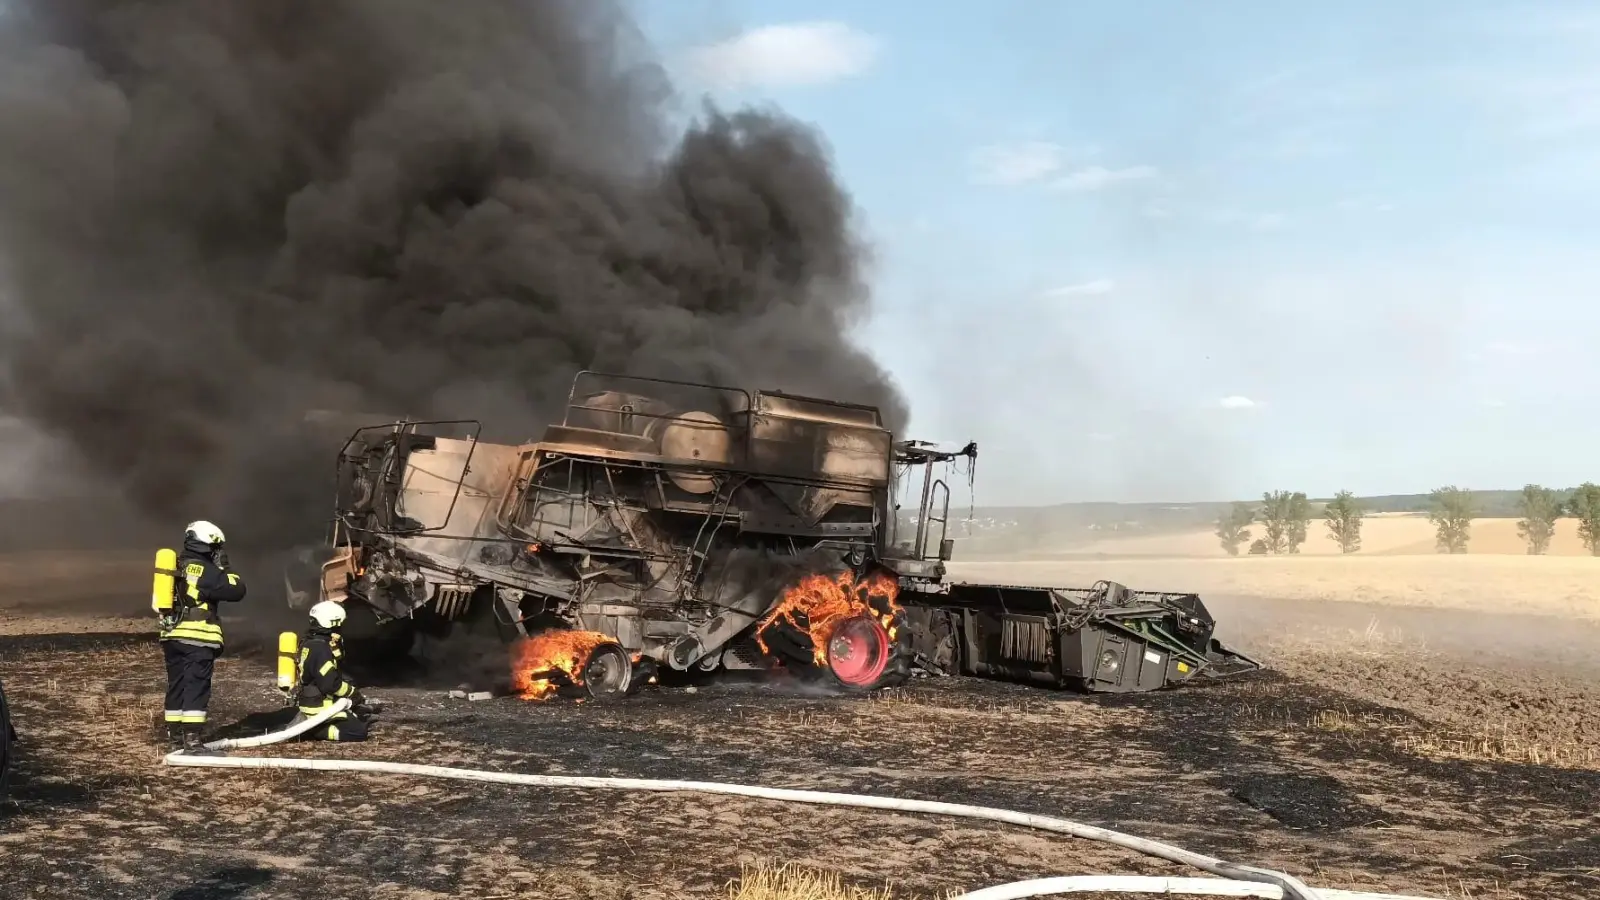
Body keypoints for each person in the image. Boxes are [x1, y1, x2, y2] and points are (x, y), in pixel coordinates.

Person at [158, 520, 247, 753]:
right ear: (209, 545)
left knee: (176, 685)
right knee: (196, 686)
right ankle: (193, 741)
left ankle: (175, 738)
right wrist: (225, 568)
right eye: (216, 548)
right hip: (197, 637)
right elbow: (236, 590)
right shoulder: (207, 570)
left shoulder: (177, 566)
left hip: (172, 636)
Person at [295, 600, 372, 742]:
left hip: (312, 701)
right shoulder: (321, 649)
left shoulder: (310, 642)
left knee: (358, 715)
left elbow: (330, 667)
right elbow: (330, 684)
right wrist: (353, 693)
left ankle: (316, 726)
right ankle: (318, 731)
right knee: (357, 732)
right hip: (320, 708)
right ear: (333, 623)